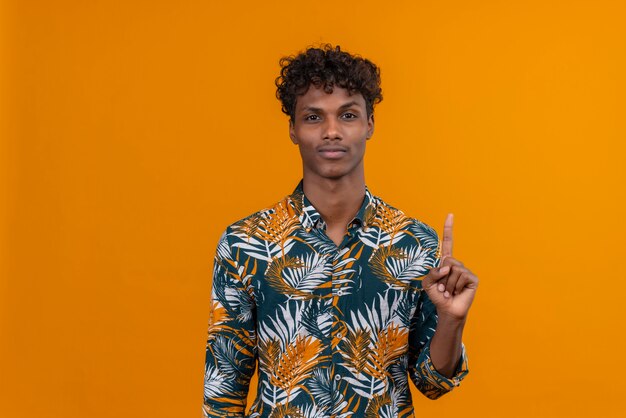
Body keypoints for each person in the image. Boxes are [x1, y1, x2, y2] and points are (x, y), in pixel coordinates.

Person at [203, 44, 479, 418]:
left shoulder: (415, 244)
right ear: (293, 129)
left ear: (369, 125)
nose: (332, 131)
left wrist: (451, 319)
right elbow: (223, 390)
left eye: (347, 115)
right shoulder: (246, 243)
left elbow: (434, 382)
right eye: (314, 117)